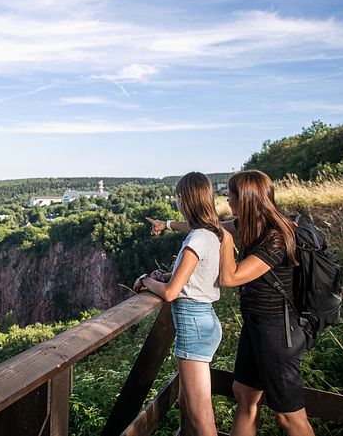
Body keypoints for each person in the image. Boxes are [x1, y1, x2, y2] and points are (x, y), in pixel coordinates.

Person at [147, 170, 315, 436]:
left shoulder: (277, 237)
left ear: (246, 199)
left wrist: (225, 242)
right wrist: (167, 224)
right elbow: (205, 228)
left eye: (231, 194)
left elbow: (230, 277)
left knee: (287, 415)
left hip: (278, 330)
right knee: (244, 395)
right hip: (256, 325)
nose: (227, 199)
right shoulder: (250, 225)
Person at [133, 172, 223, 436]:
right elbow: (189, 276)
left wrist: (146, 281)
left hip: (193, 325)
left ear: (184, 198)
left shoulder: (196, 239)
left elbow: (172, 292)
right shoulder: (211, 233)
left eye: (178, 196)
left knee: (201, 418)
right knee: (187, 405)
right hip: (204, 320)